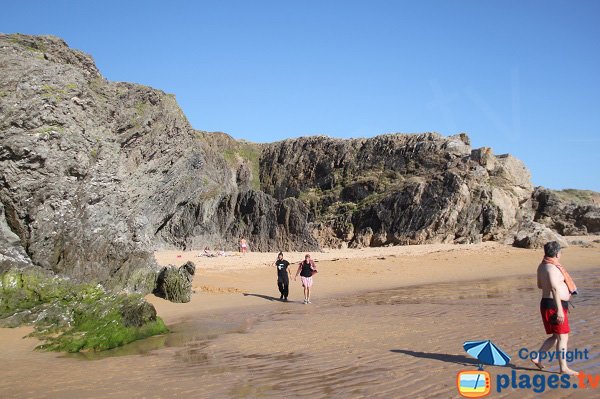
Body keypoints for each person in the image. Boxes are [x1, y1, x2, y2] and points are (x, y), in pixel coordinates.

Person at [530, 241, 579, 375]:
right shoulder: (552, 268)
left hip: (546, 303)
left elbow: (540, 285)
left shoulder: (541, 266)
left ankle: (538, 357)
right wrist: (559, 311)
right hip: (554, 305)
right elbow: (555, 289)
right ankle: (564, 368)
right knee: (563, 338)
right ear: (557, 253)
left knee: (555, 336)